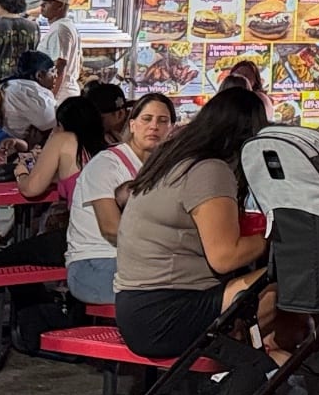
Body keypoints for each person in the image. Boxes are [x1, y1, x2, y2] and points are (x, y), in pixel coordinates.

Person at [113, 85, 273, 360]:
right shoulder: (209, 169)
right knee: (289, 282)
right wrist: (272, 239)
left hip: (136, 309)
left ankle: (263, 357)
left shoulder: (170, 160)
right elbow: (225, 256)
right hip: (166, 314)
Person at [65, 92, 175, 305]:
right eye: (146, 119)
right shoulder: (106, 165)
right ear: (132, 124)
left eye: (163, 121)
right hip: (94, 264)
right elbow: (111, 229)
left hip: (136, 261)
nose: (154, 126)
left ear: (171, 129)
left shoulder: (163, 168)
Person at [1, 49, 60, 139]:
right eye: (52, 71)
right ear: (39, 75)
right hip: (20, 144)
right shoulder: (32, 93)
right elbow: (52, 122)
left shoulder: (11, 85)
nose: (55, 75)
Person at [35, 0, 83, 91]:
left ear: (60, 5)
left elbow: (60, 65)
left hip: (60, 92)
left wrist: (52, 96)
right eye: (43, 2)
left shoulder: (59, 29)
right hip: (64, 89)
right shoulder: (65, 26)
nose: (42, 5)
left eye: (48, 2)